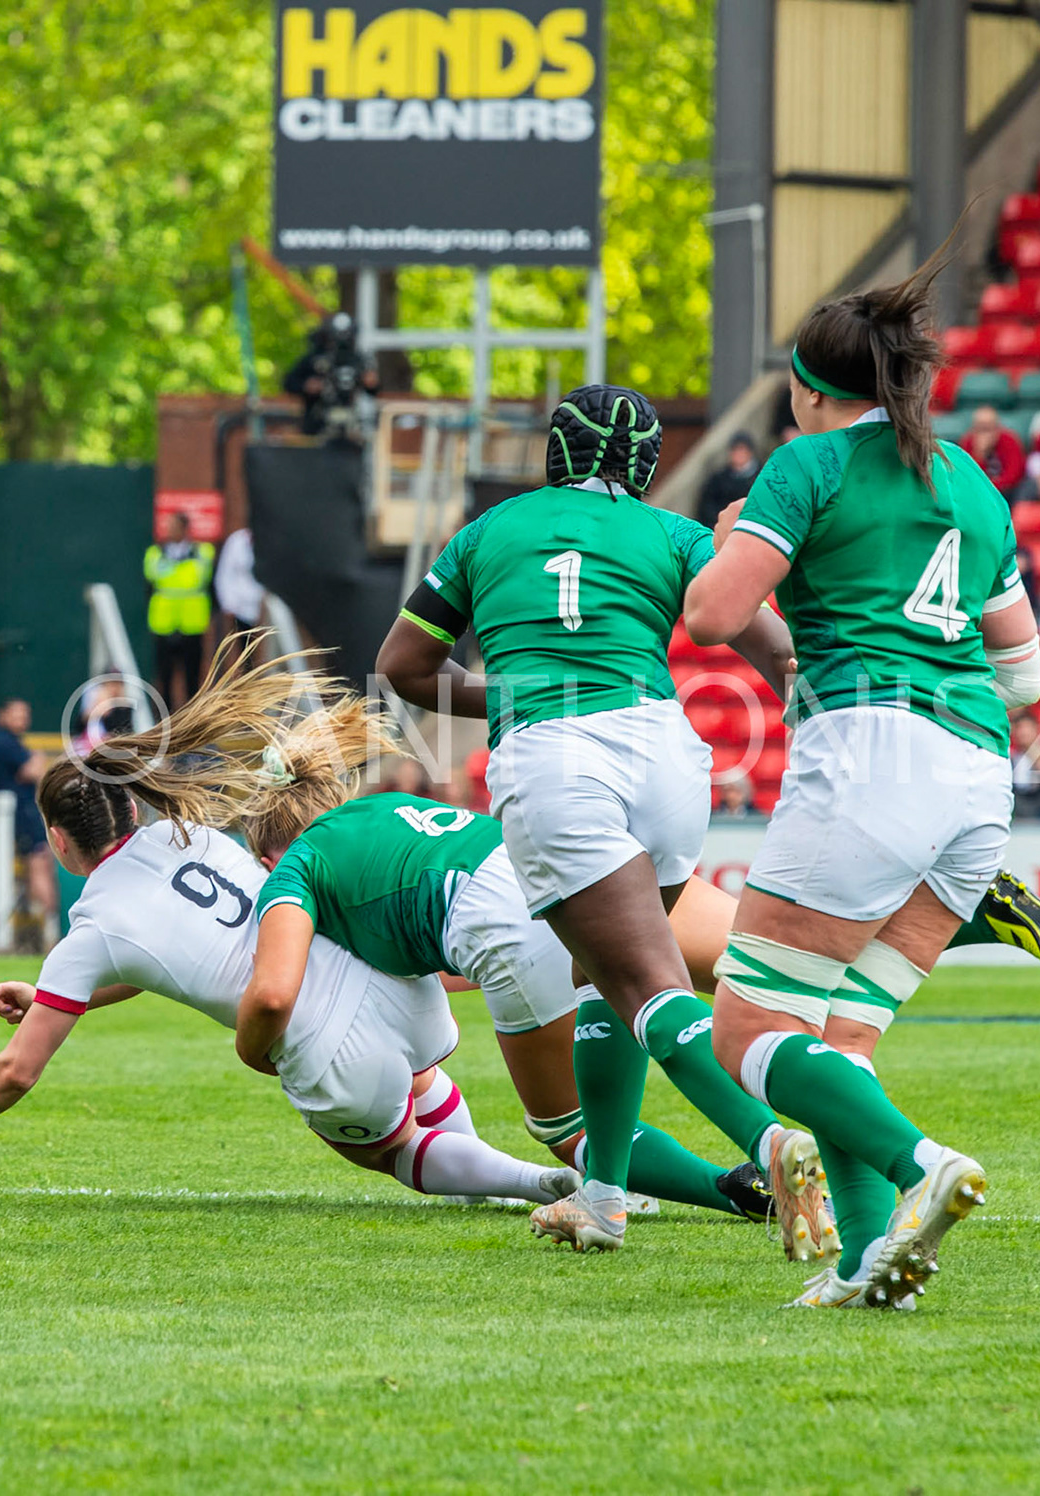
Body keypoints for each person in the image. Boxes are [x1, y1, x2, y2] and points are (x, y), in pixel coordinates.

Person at [375, 384, 827, 1258]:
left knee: (643, 985)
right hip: (665, 755)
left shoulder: (488, 531)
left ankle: (772, 1141)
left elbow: (403, 664)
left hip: (556, 759)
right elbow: (776, 650)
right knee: (601, 983)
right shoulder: (675, 533)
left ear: (556, 450)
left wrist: (510, 692)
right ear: (647, 462)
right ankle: (606, 1199)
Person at [681, 238, 1040, 1311]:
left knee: (749, 1029)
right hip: (977, 772)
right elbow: (1024, 676)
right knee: (839, 1033)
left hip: (871, 756)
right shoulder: (970, 480)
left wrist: (736, 538)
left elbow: (710, 613)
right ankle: (865, 1261)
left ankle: (921, 1164)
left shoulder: (808, 465)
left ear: (806, 388)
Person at [0, 651, 583, 1211]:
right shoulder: (193, 835)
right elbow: (149, 964)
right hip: (382, 981)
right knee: (420, 1081)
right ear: (132, 810)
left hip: (313, 1035)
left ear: (59, 842)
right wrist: (50, 997)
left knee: (390, 1148)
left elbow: (17, 1071)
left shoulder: (93, 928)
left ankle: (531, 1182)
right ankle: (522, 1180)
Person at [238, 696, 785, 1232]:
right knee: (723, 987)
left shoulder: (294, 869)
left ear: (266, 859)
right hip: (560, 867)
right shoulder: (386, 807)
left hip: (501, 925)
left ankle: (733, 1189)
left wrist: (253, 1051)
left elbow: (273, 994)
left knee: (567, 1128)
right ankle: (799, 1137)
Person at [0, 698, 59, 951]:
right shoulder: (4, 743)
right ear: (3, 715)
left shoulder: (12, 743)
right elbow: (36, 770)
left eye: (25, 714)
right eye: (17, 714)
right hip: (24, 816)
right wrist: (37, 760)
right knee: (39, 864)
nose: (22, 719)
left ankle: (40, 927)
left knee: (38, 867)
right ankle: (51, 930)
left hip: (26, 814)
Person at [144, 512, 215, 711]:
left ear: (185, 529)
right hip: (164, 623)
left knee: (193, 676)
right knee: (164, 676)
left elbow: (211, 586)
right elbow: (149, 586)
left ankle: (192, 717)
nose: (169, 531)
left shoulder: (203, 553)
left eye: (174, 526)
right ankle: (164, 717)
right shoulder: (155, 554)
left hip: (192, 623)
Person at [282, 312, 380, 440]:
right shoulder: (314, 359)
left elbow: (373, 391)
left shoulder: (359, 360)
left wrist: (371, 383)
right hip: (317, 423)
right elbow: (289, 382)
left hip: (351, 425)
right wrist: (306, 385)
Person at [696, 432, 761, 531]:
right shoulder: (718, 479)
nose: (738, 454)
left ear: (750, 452)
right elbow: (707, 507)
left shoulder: (761, 478)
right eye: (735, 450)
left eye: (742, 450)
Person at [213, 525, 265, 643]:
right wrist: (228, 604)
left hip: (264, 609)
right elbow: (224, 574)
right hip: (239, 610)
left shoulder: (273, 539)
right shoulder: (237, 541)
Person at [957, 406, 1026, 495]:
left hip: (1007, 491)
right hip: (978, 491)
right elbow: (968, 477)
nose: (985, 433)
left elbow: (1014, 475)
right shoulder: (967, 442)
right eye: (981, 427)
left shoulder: (1009, 440)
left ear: (997, 427)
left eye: (989, 427)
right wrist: (979, 454)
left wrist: (991, 487)